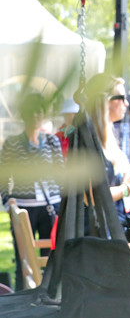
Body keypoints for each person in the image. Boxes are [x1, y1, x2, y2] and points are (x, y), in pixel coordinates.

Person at [0, 93, 65, 290]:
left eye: (39, 111)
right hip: (23, 207)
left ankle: (51, 295)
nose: (36, 115)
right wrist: (7, 200)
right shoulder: (12, 143)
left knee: (51, 257)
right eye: (32, 111)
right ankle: (22, 297)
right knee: (24, 259)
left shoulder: (52, 142)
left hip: (49, 206)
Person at [82, 73, 130, 245]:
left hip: (108, 235)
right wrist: (129, 189)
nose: (127, 104)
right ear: (104, 101)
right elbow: (92, 196)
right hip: (96, 241)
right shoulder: (88, 140)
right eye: (122, 98)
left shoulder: (105, 136)